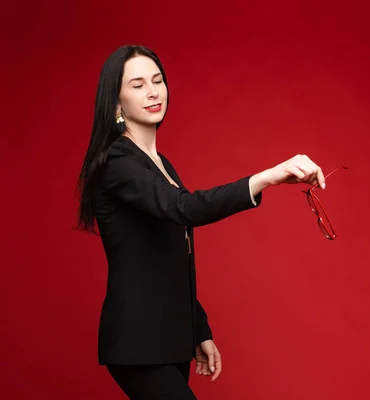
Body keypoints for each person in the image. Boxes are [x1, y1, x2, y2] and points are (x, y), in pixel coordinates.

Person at [76, 44, 326, 400]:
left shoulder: (159, 163)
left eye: (157, 80)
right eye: (137, 84)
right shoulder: (118, 161)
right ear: (116, 102)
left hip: (169, 339)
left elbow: (170, 256)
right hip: (139, 341)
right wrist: (269, 176)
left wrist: (199, 329)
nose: (152, 92)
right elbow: (186, 208)